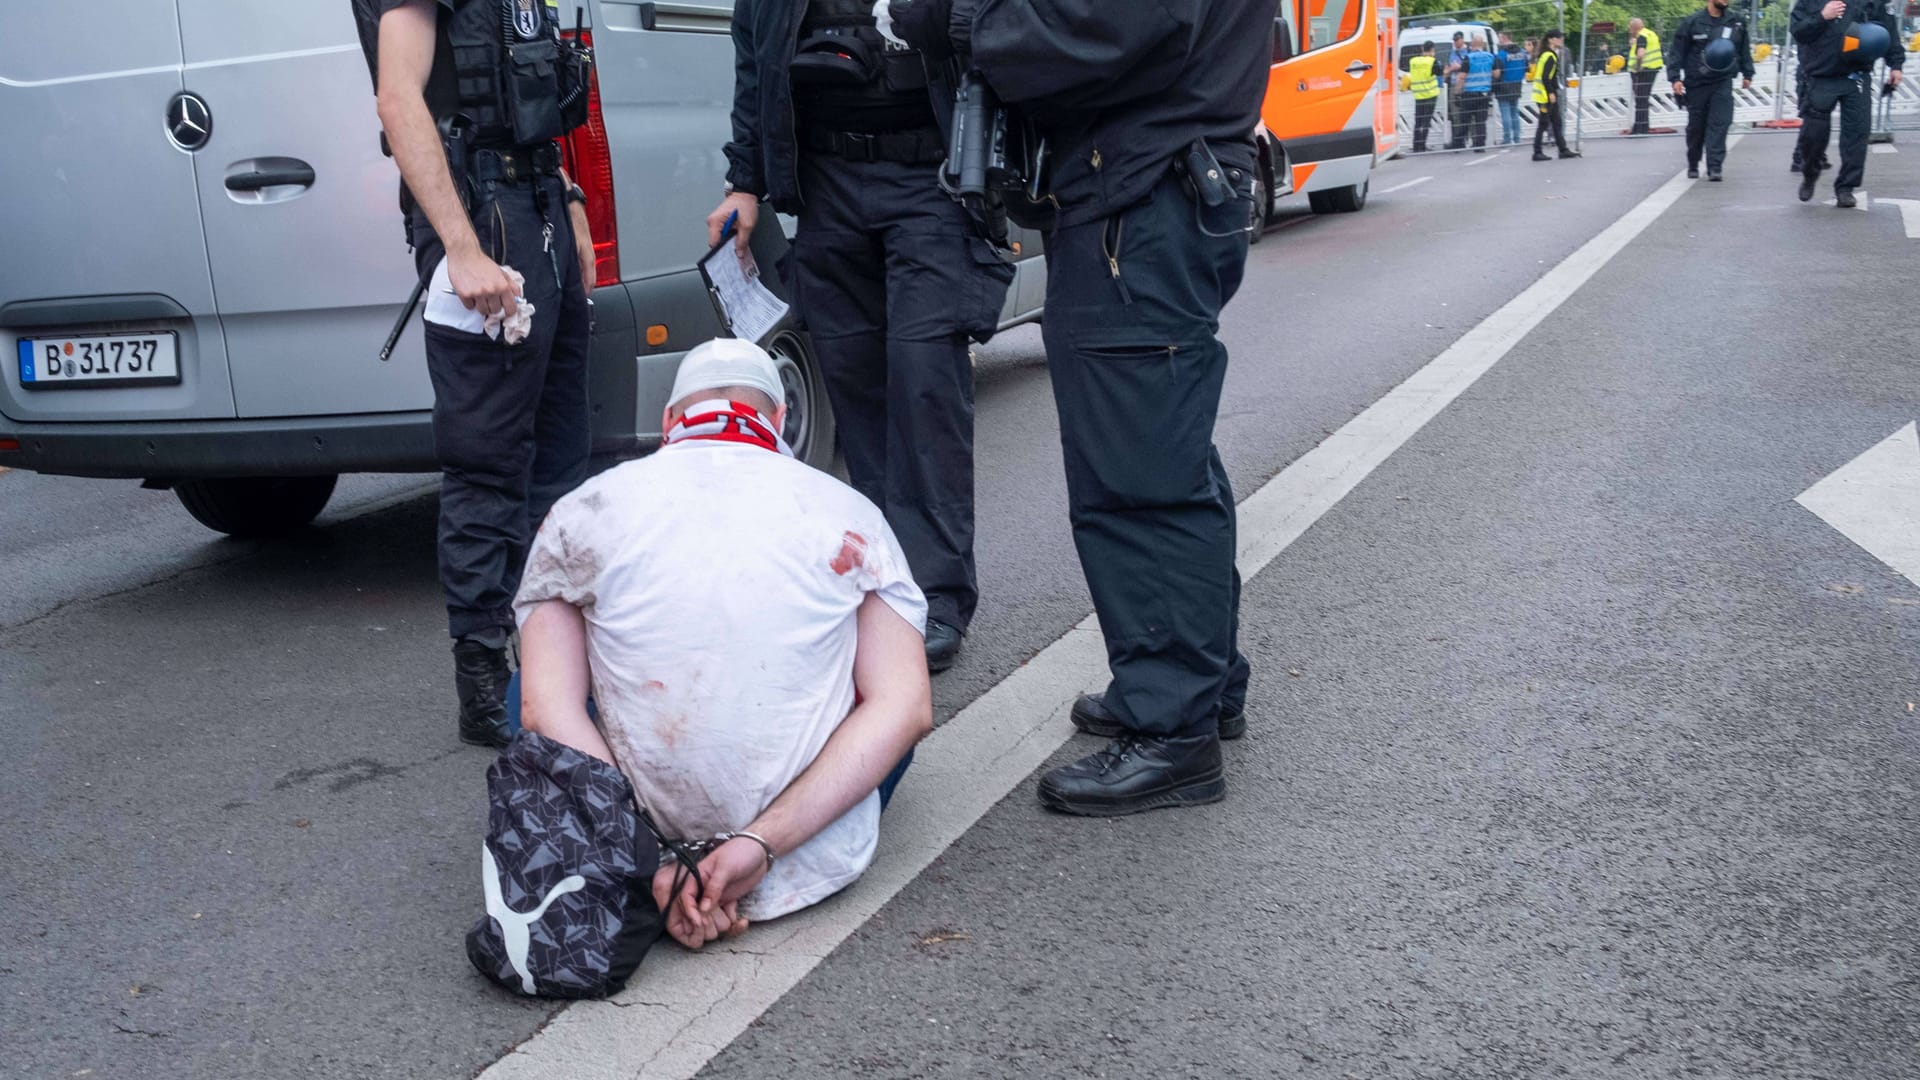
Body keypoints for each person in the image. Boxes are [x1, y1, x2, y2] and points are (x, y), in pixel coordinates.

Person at [891, 0, 1265, 816]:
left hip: (1141, 196)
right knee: (1162, 451)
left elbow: (1113, 21)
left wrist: (962, 20)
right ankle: (1198, 687)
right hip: (1150, 188)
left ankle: (1175, 732)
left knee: (1138, 474)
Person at [513, 339, 933, 950]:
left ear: (668, 421)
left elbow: (541, 710)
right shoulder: (850, 512)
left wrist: (655, 858)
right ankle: (760, 844)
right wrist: (756, 845)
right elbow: (908, 708)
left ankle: (649, 859)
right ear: (779, 419)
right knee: (885, 709)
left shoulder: (582, 511)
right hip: (802, 860)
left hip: (636, 844)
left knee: (526, 684)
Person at [706, 0, 1015, 676]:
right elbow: (754, 62)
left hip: (931, 182)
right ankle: (884, 580)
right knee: (857, 387)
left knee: (925, 382)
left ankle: (937, 595)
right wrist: (744, 183)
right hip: (826, 185)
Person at [353, 0, 597, 748]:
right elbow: (399, 99)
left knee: (559, 457)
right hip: (481, 211)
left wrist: (574, 201)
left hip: (538, 201)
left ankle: (554, 666)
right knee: (487, 462)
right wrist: (460, 247)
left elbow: (531, 95)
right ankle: (485, 679)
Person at [1792, 0, 1905, 206]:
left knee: (1857, 134)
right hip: (1820, 75)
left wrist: (1896, 65)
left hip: (1856, 75)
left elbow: (1889, 29)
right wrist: (1822, 16)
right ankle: (1810, 174)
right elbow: (1798, 31)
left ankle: (1846, 187)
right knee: (1813, 136)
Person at [1668, 0, 1755, 181]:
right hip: (1697, 82)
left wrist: (1748, 73)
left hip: (1722, 81)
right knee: (1696, 127)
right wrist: (1675, 77)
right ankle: (1693, 162)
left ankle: (1715, 167)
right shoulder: (1692, 22)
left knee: (1720, 123)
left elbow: (1743, 49)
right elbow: (1677, 51)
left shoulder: (1736, 22)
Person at [1532, 30, 1582, 160]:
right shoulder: (1549, 55)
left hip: (1545, 94)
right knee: (1544, 123)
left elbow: (1551, 76)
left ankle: (1563, 149)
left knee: (1556, 122)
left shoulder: (1547, 54)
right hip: (1544, 95)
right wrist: (1551, 93)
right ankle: (1537, 152)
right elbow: (1545, 77)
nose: (1561, 40)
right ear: (1551, 40)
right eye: (1559, 38)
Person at [1627, 18, 1666, 135]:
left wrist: (1638, 68)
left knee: (1640, 99)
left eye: (1630, 27)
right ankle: (1644, 126)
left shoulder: (1642, 36)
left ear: (1635, 27)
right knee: (1644, 97)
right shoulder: (1651, 34)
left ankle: (1640, 128)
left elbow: (1640, 54)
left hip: (1643, 71)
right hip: (1653, 68)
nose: (1629, 30)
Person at [1458, 36, 1498, 151]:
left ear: (1472, 45)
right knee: (1481, 121)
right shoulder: (1490, 57)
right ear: (1483, 45)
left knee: (1465, 120)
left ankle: (1458, 143)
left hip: (1469, 93)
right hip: (1484, 94)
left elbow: (1462, 77)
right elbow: (1496, 74)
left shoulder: (1468, 58)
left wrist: (1457, 92)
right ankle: (1480, 145)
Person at [1495, 33, 1531, 145]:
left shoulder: (1501, 54)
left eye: (1499, 38)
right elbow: (1527, 68)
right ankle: (1516, 137)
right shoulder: (1522, 53)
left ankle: (1507, 138)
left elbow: (1497, 72)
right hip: (1517, 84)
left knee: (1505, 112)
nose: (1498, 40)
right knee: (1514, 112)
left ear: (1504, 38)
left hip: (1504, 85)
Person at [1409, 42, 1444, 152]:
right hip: (1430, 95)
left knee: (1418, 121)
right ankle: (1422, 145)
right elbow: (1440, 72)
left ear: (1422, 48)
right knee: (1426, 121)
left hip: (1418, 95)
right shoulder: (1432, 61)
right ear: (1432, 49)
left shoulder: (1413, 61)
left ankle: (1416, 145)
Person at [1444, 31, 1470, 148]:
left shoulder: (1468, 52)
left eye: (1457, 40)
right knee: (1455, 114)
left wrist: (1459, 67)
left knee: (1468, 113)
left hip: (1466, 84)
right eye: (1454, 40)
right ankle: (1457, 141)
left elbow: (1470, 67)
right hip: (1454, 83)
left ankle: (1471, 139)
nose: (1455, 42)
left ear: (1462, 39)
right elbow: (1448, 68)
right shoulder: (1453, 53)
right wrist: (1450, 69)